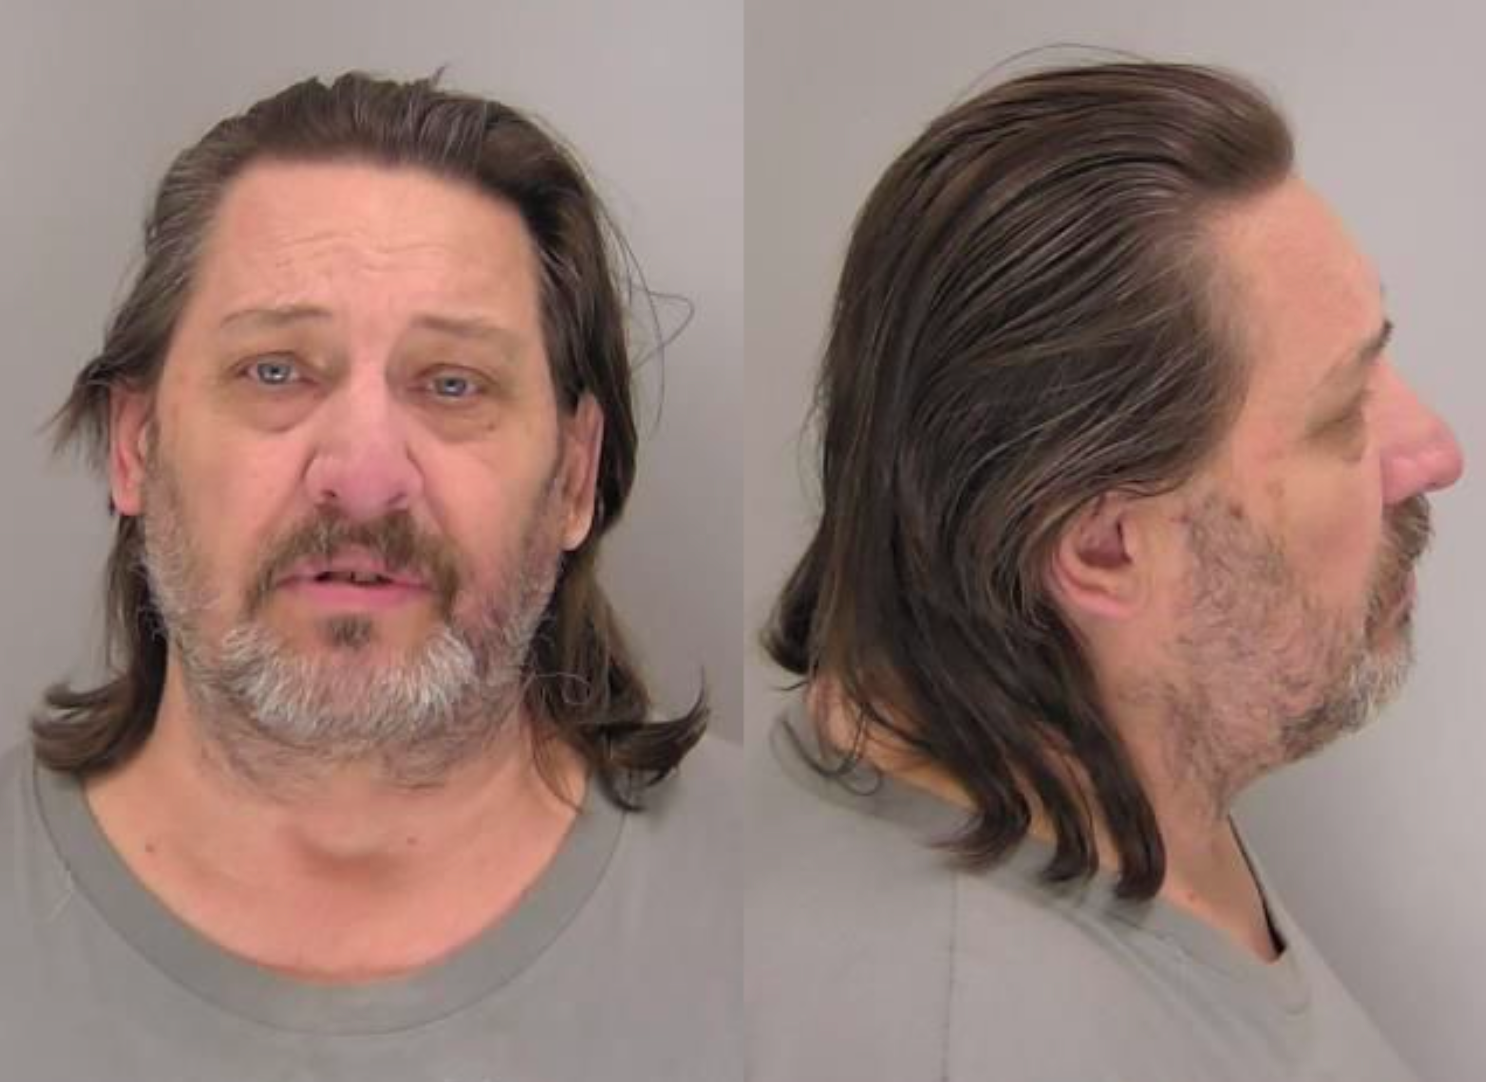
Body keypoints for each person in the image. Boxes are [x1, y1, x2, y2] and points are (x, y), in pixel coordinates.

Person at [0, 72, 738, 1080]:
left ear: (574, 475)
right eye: (275, 370)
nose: (362, 477)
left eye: (453, 383)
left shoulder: (770, 895)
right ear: (136, 444)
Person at [748, 61, 1461, 1082]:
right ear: (1104, 548)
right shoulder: (973, 1036)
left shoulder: (1113, 740)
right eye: (1345, 410)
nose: (1435, 450)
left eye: (1376, 355)